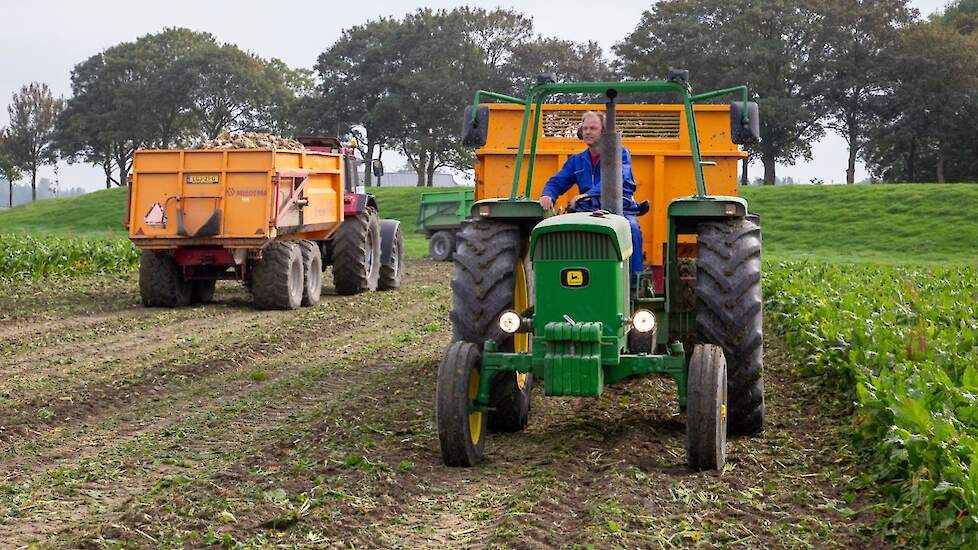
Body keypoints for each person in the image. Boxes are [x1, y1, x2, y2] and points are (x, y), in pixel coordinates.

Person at [539, 111, 644, 280]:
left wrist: (587, 194)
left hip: (620, 210)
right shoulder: (577, 161)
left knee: (631, 229)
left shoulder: (620, 154)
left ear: (604, 132)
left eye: (593, 128)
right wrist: (548, 194)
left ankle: (635, 282)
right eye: (585, 128)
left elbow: (617, 177)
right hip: (587, 211)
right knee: (565, 233)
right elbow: (558, 180)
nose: (588, 132)